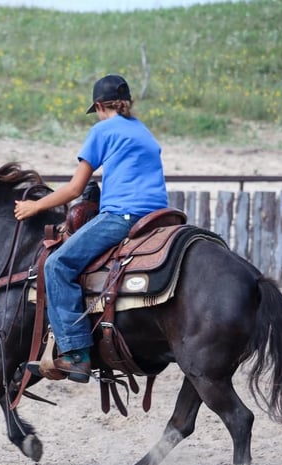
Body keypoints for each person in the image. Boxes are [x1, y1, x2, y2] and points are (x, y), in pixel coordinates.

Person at [14, 74, 168, 382]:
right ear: (127, 103)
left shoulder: (102, 129)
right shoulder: (143, 131)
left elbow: (74, 189)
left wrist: (34, 206)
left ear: (99, 106)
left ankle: (75, 354)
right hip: (162, 215)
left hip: (123, 216)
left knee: (58, 265)